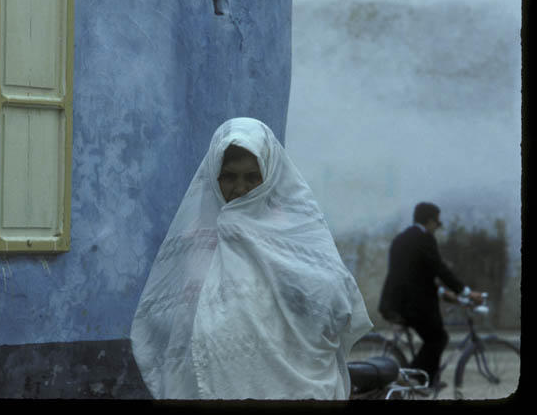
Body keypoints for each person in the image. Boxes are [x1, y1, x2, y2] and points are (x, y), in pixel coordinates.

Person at [130, 117, 373, 399]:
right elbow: (175, 319)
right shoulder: (196, 238)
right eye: (229, 177)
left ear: (269, 177)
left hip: (290, 388)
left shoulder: (293, 232)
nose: (241, 188)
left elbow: (334, 305)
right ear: (213, 177)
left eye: (252, 177)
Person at [378, 202, 483, 390]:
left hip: (394, 302)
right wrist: (466, 292)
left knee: (434, 336)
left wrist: (443, 292)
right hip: (412, 304)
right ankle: (412, 377)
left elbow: (415, 274)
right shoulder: (425, 238)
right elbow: (439, 268)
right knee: (438, 338)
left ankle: (426, 380)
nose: (437, 228)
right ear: (430, 221)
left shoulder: (401, 238)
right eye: (437, 223)